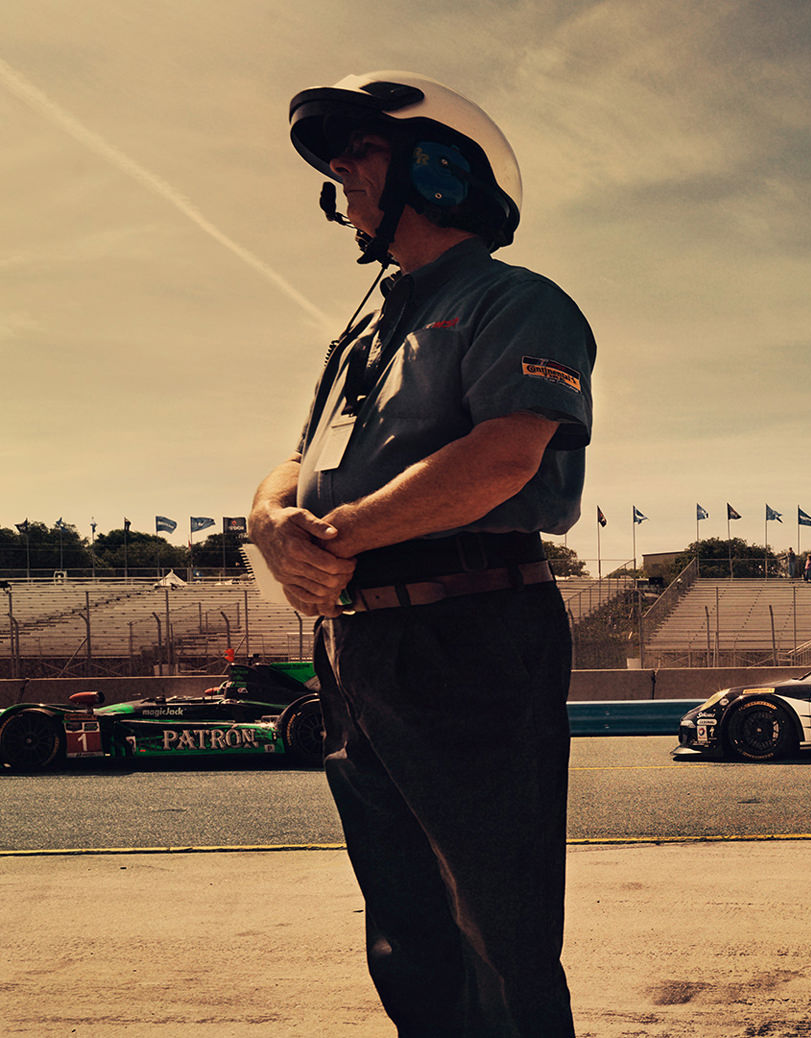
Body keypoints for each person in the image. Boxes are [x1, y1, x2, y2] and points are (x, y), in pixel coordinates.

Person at [249, 71, 593, 1037]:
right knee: (404, 925)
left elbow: (503, 455)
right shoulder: (363, 324)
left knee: (500, 928)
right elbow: (296, 459)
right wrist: (274, 526)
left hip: (469, 631)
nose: (338, 174)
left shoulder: (515, 300)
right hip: (358, 646)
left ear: (441, 172)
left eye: (358, 151)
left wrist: (337, 539)